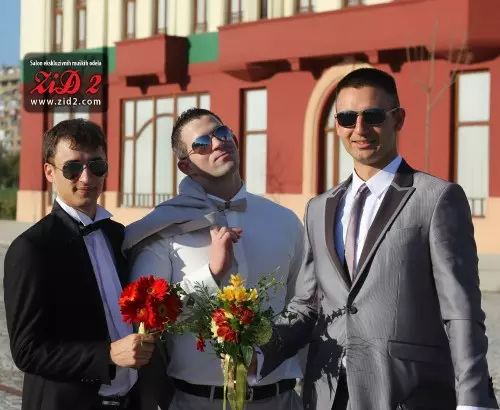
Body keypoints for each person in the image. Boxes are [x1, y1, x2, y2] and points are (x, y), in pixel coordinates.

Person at [253, 68, 499, 410]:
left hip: (405, 395)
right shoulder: (318, 209)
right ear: (337, 124)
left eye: (372, 116)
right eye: (347, 118)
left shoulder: (437, 199)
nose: (360, 129)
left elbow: (461, 311)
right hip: (327, 396)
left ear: (398, 119)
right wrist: (258, 352)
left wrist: (473, 400)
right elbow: (308, 306)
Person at [122, 108, 305, 410]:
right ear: (185, 166)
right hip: (197, 402)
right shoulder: (163, 229)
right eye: (202, 144)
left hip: (281, 399)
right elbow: (147, 319)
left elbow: (304, 305)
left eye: (222, 134)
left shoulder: (284, 221)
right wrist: (211, 273)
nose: (218, 143)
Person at [4, 119, 158, 410]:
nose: (86, 177)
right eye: (73, 167)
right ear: (50, 172)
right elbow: (27, 351)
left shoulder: (119, 236)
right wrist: (107, 355)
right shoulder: (32, 248)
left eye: (97, 166)